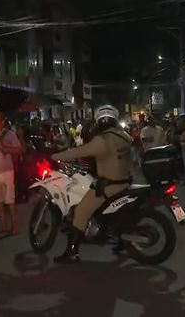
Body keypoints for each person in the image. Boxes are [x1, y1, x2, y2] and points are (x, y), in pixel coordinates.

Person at [51, 105, 132, 263]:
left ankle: (72, 253)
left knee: (81, 211)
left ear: (99, 121)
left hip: (108, 186)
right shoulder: (124, 136)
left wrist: (55, 156)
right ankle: (121, 240)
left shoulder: (102, 140)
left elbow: (79, 152)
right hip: (125, 182)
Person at [0, 112, 22, 235]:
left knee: (9, 200)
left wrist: (5, 148)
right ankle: (2, 225)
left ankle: (14, 225)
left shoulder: (9, 135)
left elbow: (19, 149)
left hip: (7, 171)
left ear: (2, 122)